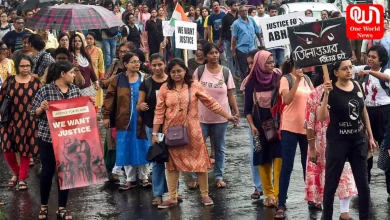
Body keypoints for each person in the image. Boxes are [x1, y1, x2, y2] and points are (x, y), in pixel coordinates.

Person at [152, 58, 238, 208]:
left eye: (179, 71)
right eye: (173, 72)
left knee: (199, 163)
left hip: (193, 131)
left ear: (185, 71)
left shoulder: (194, 85)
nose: (176, 74)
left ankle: (204, 195)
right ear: (169, 73)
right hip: (170, 132)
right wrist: (154, 134)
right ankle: (172, 197)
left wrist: (228, 116)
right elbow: (159, 112)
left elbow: (210, 102)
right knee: (171, 164)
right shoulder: (165, 88)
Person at [318, 60, 376, 220]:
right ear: (336, 72)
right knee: (331, 185)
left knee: (363, 186)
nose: (349, 71)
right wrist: (326, 94)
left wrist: (370, 136)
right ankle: (326, 217)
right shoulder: (331, 90)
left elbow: (363, 111)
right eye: (344, 69)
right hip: (338, 143)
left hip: (358, 142)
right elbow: (321, 117)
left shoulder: (356, 85)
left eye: (350, 67)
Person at [31, 61, 84, 220]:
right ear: (63, 74)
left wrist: (88, 106)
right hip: (48, 138)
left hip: (68, 139)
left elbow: (80, 112)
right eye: (72, 72)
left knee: (66, 172)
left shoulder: (75, 90)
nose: (74, 75)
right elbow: (33, 113)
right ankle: (44, 206)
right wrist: (41, 108)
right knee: (47, 171)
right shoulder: (45, 90)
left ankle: (62, 207)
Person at [305, 74, 357, 219]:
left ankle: (344, 212)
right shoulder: (314, 94)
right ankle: (325, 211)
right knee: (324, 177)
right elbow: (309, 123)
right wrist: (313, 148)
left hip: (343, 139)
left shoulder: (347, 89)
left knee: (346, 175)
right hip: (321, 143)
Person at [190, 42, 239, 189]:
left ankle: (219, 176)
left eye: (216, 53)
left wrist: (235, 112)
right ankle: (195, 176)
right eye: (211, 53)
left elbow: (230, 93)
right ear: (205, 56)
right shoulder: (199, 71)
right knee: (198, 147)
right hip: (201, 117)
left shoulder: (225, 72)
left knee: (219, 147)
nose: (215, 55)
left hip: (221, 117)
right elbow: (192, 94)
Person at [103, 52, 151, 190]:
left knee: (143, 146)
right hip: (123, 119)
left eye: (138, 61)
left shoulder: (144, 79)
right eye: (133, 61)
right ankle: (130, 179)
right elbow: (110, 98)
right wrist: (106, 116)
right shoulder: (117, 80)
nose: (137, 64)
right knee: (126, 146)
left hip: (142, 118)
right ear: (125, 64)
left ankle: (144, 177)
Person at [275, 58, 313, 219]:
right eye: (299, 65)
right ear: (292, 65)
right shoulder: (286, 79)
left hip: (306, 128)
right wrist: (297, 80)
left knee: (309, 166)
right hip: (289, 128)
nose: (301, 68)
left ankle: (312, 198)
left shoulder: (308, 79)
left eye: (303, 65)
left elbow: (313, 99)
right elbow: (287, 100)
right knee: (287, 166)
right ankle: (281, 203)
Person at [244, 50, 282, 207]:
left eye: (272, 61)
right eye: (268, 62)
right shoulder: (251, 82)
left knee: (279, 159)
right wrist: (252, 126)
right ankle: (269, 194)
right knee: (263, 160)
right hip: (260, 126)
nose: (272, 64)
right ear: (260, 63)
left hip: (278, 124)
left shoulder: (278, 77)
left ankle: (279, 194)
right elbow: (247, 109)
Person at [1, 54, 41, 191]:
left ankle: (22, 178)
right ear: (17, 66)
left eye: (28, 66)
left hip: (29, 120)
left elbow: (43, 98)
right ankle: (17, 173)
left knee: (25, 150)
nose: (25, 68)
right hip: (9, 120)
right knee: (7, 148)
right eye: (22, 66)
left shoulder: (36, 82)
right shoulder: (10, 81)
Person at [353, 44, 390, 188]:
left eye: (374, 57)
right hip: (367, 113)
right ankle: (363, 185)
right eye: (369, 56)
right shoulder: (364, 69)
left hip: (384, 114)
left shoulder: (385, 70)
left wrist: (369, 72)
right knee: (365, 151)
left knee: (386, 150)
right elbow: (348, 67)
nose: (370, 59)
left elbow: (386, 78)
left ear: (381, 60)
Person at [137, 53, 168, 205]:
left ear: (164, 64)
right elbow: (138, 105)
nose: (157, 68)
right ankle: (158, 194)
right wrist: (141, 106)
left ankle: (175, 192)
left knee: (174, 160)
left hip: (172, 127)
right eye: (154, 65)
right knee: (157, 160)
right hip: (153, 127)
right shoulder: (147, 83)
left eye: (159, 64)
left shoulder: (172, 81)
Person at [231, 5, 261, 79]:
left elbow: (257, 31)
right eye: (242, 11)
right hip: (242, 49)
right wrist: (233, 50)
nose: (244, 12)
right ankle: (245, 85)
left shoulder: (251, 19)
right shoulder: (236, 23)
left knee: (254, 66)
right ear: (239, 13)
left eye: (246, 11)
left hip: (252, 48)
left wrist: (261, 42)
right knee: (244, 69)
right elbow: (234, 38)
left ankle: (254, 83)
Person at [85, 32, 104, 111]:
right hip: (85, 77)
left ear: (94, 40)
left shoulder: (98, 51)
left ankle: (94, 116)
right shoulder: (83, 50)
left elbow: (101, 65)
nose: (89, 40)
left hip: (95, 78)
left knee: (95, 99)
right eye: (87, 38)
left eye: (91, 39)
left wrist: (101, 79)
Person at [220, 0, 238, 79]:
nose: (236, 7)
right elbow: (222, 30)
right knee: (230, 57)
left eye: (237, 5)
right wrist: (221, 40)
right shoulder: (226, 17)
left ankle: (237, 73)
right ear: (230, 7)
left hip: (238, 40)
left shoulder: (239, 16)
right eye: (234, 5)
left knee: (237, 57)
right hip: (228, 40)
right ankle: (232, 74)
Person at [205, 1, 226, 66]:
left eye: (217, 5)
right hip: (215, 39)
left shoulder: (223, 14)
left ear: (219, 6)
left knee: (224, 57)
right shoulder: (210, 17)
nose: (216, 7)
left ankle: (225, 70)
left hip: (224, 38)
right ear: (212, 8)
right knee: (217, 56)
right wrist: (210, 40)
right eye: (214, 6)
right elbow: (208, 28)